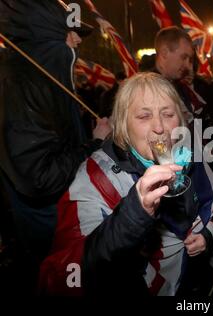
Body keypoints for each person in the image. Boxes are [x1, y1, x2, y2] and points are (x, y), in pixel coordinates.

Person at [39, 72, 213, 296]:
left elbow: (212, 207)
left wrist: (208, 236)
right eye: (144, 116)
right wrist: (135, 213)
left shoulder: (190, 156)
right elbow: (65, 276)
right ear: (123, 125)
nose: (159, 127)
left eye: (168, 114)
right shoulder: (95, 178)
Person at [0, 0, 111, 291]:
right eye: (70, 31)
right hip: (48, 235)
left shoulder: (44, 78)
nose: (77, 40)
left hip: (64, 221)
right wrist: (93, 145)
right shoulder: (22, 84)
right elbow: (41, 176)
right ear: (46, 33)